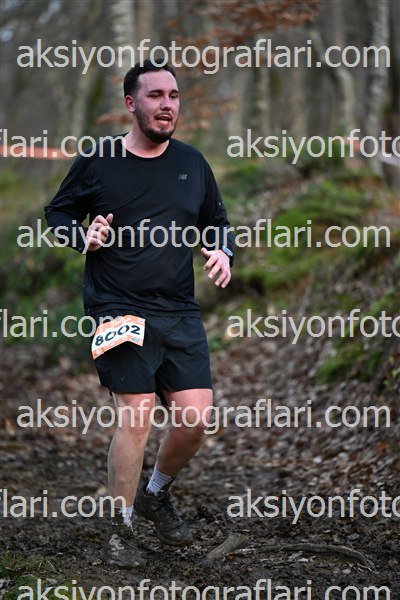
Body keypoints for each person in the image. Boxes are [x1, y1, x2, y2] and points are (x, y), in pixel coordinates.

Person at [45, 59, 234, 568]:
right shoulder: (99, 160)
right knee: (137, 413)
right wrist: (83, 236)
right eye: (155, 96)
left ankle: (155, 494)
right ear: (131, 103)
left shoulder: (192, 163)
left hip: (178, 308)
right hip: (117, 306)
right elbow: (57, 212)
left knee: (195, 419)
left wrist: (222, 251)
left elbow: (216, 220)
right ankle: (119, 529)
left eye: (173, 95)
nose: (167, 105)